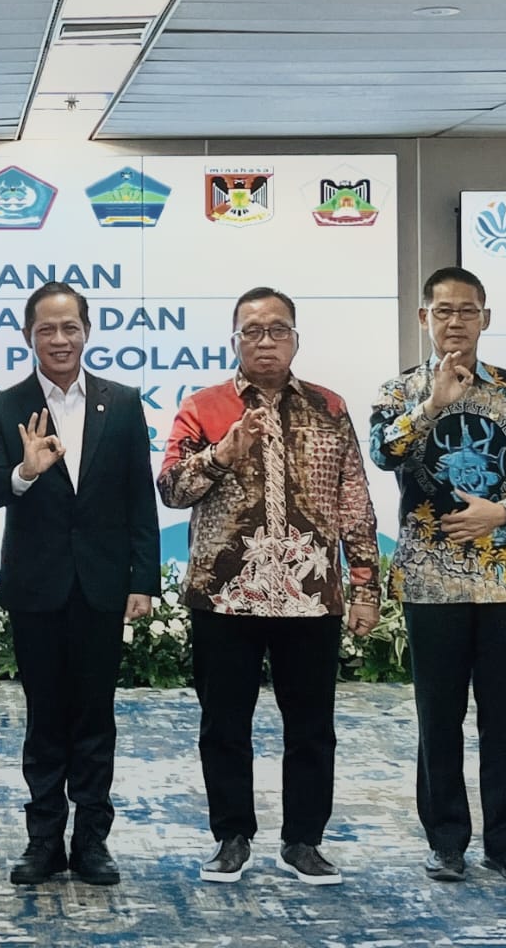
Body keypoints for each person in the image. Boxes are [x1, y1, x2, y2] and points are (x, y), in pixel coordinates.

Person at [158, 287, 380, 886]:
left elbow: (355, 502)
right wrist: (220, 455)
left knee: (312, 728)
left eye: (278, 330)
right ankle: (231, 837)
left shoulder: (329, 407)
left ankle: (304, 841)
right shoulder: (202, 407)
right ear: (234, 341)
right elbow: (171, 490)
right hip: (225, 596)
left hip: (310, 597)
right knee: (223, 725)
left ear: (295, 340)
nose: (265, 341)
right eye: (252, 331)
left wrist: (365, 586)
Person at [369, 266, 506, 884]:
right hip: (431, 579)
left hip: (504, 579)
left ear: (485, 318)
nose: (455, 321)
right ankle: (446, 841)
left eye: (467, 310)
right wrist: (432, 407)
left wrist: (499, 513)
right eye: (443, 311)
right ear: (424, 317)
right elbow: (383, 453)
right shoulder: (399, 391)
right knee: (438, 717)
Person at [0, 282, 159, 886]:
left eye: (69, 327)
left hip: (101, 586)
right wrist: (24, 472)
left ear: (87, 331)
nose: (59, 339)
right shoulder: (3, 406)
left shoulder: (122, 402)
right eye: (46, 329)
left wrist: (143, 579)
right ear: (28, 335)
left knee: (95, 717)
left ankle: (93, 842)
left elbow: (139, 497)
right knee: (45, 717)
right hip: (37, 587)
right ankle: (44, 840)